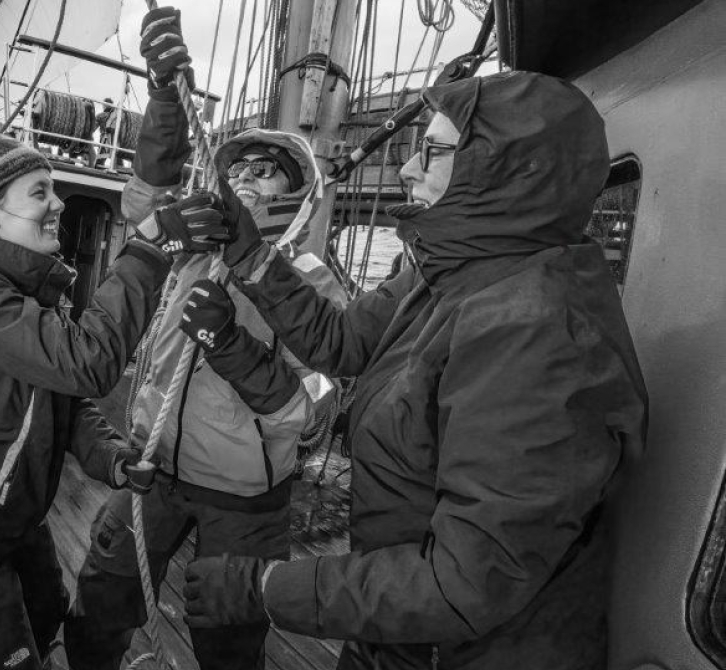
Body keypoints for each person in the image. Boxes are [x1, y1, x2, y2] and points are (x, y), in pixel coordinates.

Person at [179, 71, 649, 670]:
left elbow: (465, 584)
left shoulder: (538, 334)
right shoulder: (450, 272)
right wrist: (249, 253)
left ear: (504, 169)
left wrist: (266, 587)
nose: (406, 169)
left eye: (434, 152)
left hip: (457, 652)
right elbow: (341, 340)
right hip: (395, 627)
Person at [0, 133, 235, 670]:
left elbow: (61, 401)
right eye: (39, 192)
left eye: (53, 190)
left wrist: (112, 457)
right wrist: (148, 249)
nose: (59, 204)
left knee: (46, 612)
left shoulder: (23, 288)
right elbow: (87, 363)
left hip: (10, 515)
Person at [62, 8, 345, 670]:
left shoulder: (314, 285)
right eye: (237, 167)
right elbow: (147, 193)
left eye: (265, 170)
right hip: (151, 469)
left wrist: (229, 345)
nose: (244, 175)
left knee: (229, 636)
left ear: (298, 193)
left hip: (247, 497)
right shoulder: (189, 247)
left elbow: (309, 413)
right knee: (101, 598)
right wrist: (166, 94)